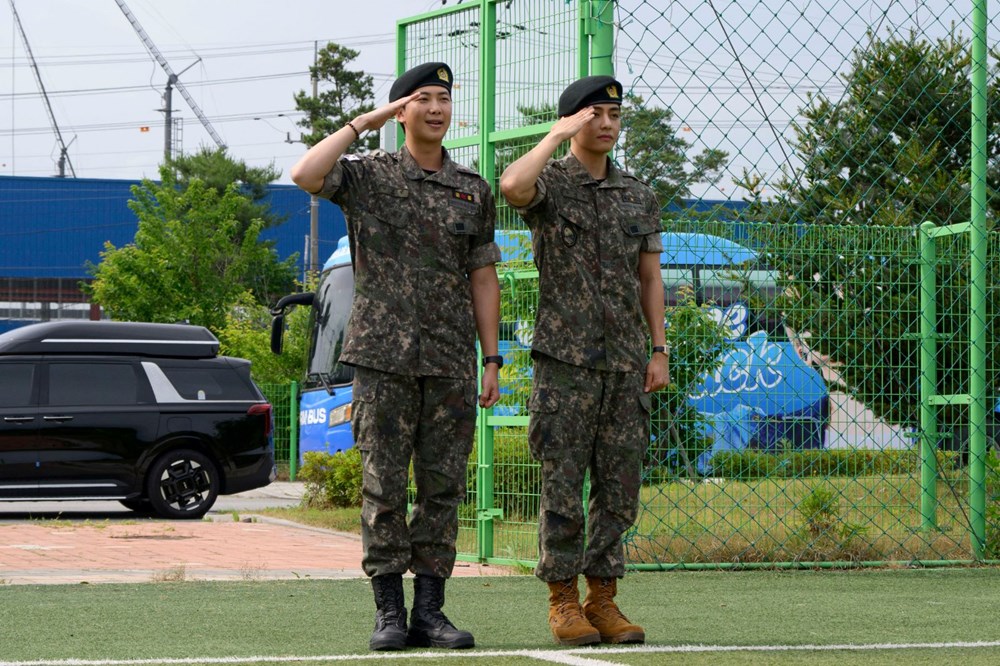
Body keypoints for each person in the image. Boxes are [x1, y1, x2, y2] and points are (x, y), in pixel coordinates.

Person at [290, 61, 501, 652]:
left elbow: (483, 276)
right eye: (422, 99)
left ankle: (430, 612)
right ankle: (388, 611)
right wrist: (365, 121)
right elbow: (305, 173)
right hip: (382, 358)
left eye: (444, 99)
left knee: (442, 488)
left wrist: (491, 359)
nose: (436, 109)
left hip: (450, 360)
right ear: (402, 111)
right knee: (383, 485)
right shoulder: (368, 175)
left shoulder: (472, 188)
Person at [498, 75, 669, 646]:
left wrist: (659, 349)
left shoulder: (638, 194)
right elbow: (512, 186)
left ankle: (603, 599)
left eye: (614, 116)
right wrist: (554, 136)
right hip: (564, 363)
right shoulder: (549, 183)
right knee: (563, 486)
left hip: (625, 363)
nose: (607, 124)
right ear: (573, 120)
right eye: (595, 114)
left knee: (619, 489)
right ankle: (563, 600)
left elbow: (650, 277)